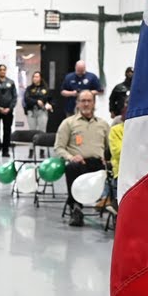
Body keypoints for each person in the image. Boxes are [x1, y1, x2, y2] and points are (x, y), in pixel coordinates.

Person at [54, 90, 109, 227]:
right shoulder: (68, 123)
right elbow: (59, 148)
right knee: (72, 167)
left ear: (94, 103)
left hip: (98, 164)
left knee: (114, 169)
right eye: (83, 101)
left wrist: (107, 159)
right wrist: (71, 157)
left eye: (89, 101)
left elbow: (110, 148)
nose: (86, 104)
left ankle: (113, 207)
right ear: (77, 104)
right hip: (79, 163)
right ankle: (76, 209)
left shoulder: (103, 124)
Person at [0, 63, 17, 157]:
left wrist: (9, 108)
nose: (2, 71)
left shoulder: (11, 82)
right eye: (0, 70)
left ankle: (6, 150)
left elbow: (14, 96)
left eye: (4, 70)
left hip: (8, 110)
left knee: (7, 130)